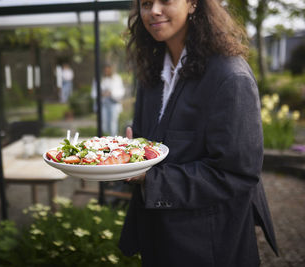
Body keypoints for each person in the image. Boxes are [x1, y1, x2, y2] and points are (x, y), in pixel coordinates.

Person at [118, 0, 278, 266]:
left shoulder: (230, 77)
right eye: (146, 3)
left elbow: (237, 173)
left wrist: (149, 179)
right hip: (158, 239)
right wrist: (130, 154)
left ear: (193, 4)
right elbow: (149, 145)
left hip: (208, 246)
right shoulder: (152, 72)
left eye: (165, 1)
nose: (153, 10)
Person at [91, 63, 126, 136]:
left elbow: (121, 91)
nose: (106, 71)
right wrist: (101, 94)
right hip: (103, 103)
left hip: (113, 103)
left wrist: (111, 93)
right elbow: (93, 93)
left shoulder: (116, 78)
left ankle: (113, 138)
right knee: (103, 122)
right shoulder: (99, 78)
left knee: (113, 123)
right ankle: (104, 138)